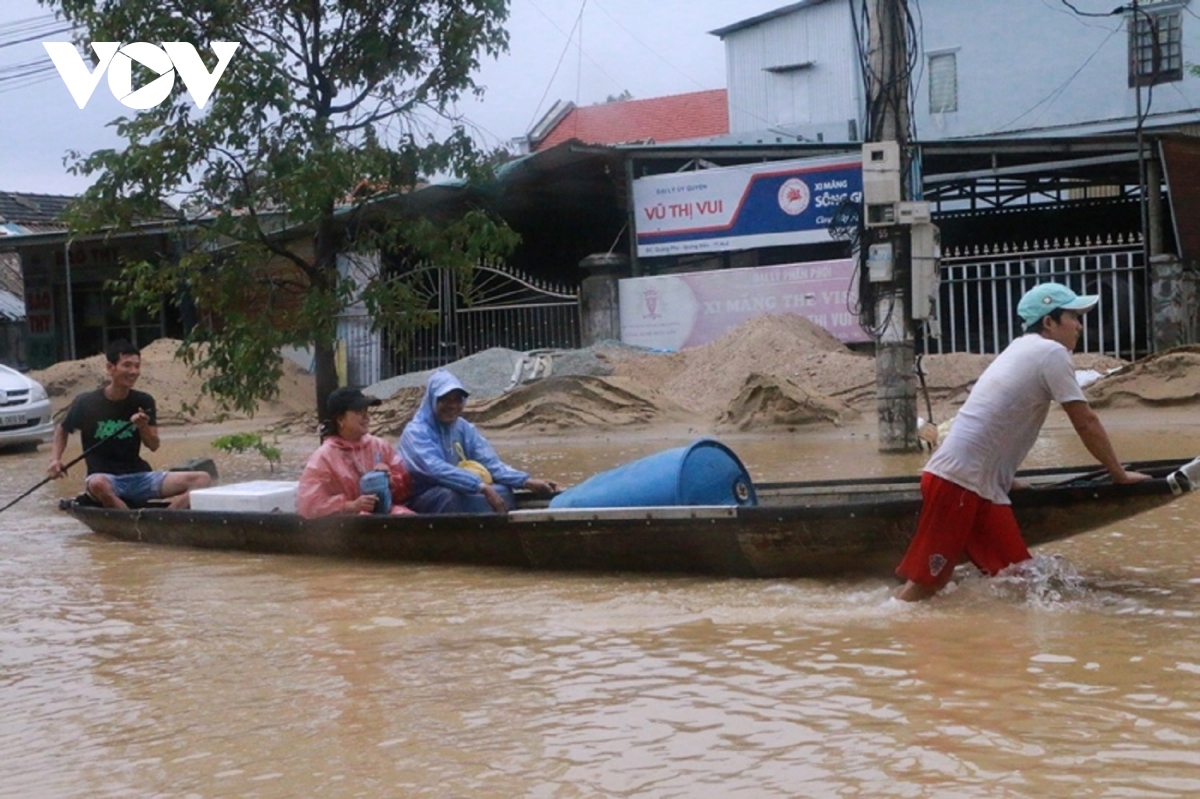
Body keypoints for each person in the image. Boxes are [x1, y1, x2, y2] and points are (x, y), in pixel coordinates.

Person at [895, 282, 1151, 601]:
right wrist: (1119, 475)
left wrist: (1006, 477)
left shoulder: (1020, 349)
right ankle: (881, 627)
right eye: (1073, 316)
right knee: (926, 584)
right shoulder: (1050, 352)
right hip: (957, 484)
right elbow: (1085, 421)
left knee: (1016, 577)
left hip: (982, 487)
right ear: (1049, 322)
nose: (1080, 325)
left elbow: (990, 420)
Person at [47, 339, 212, 509]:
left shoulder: (144, 401)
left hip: (140, 477)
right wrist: (55, 460)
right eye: (127, 365)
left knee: (202, 479)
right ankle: (130, 522)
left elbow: (153, 445)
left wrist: (142, 426)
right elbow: (63, 429)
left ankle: (164, 519)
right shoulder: (86, 402)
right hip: (104, 479)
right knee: (98, 484)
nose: (133, 371)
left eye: (137, 366)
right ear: (110, 368)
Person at [399, 370, 559, 513]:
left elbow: (490, 462)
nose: (452, 405)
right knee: (449, 496)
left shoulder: (464, 428)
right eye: (445, 400)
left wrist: (525, 481)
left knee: (503, 490)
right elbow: (435, 470)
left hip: (465, 486)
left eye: (457, 400)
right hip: (425, 495)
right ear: (433, 400)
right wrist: (480, 486)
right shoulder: (416, 432)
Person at [297, 387, 415, 518]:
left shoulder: (380, 446)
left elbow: (408, 488)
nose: (366, 416)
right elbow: (308, 504)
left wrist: (391, 480)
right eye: (359, 411)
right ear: (340, 419)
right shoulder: (324, 457)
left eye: (366, 410)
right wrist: (351, 505)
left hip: (387, 516)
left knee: (408, 521)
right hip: (348, 527)